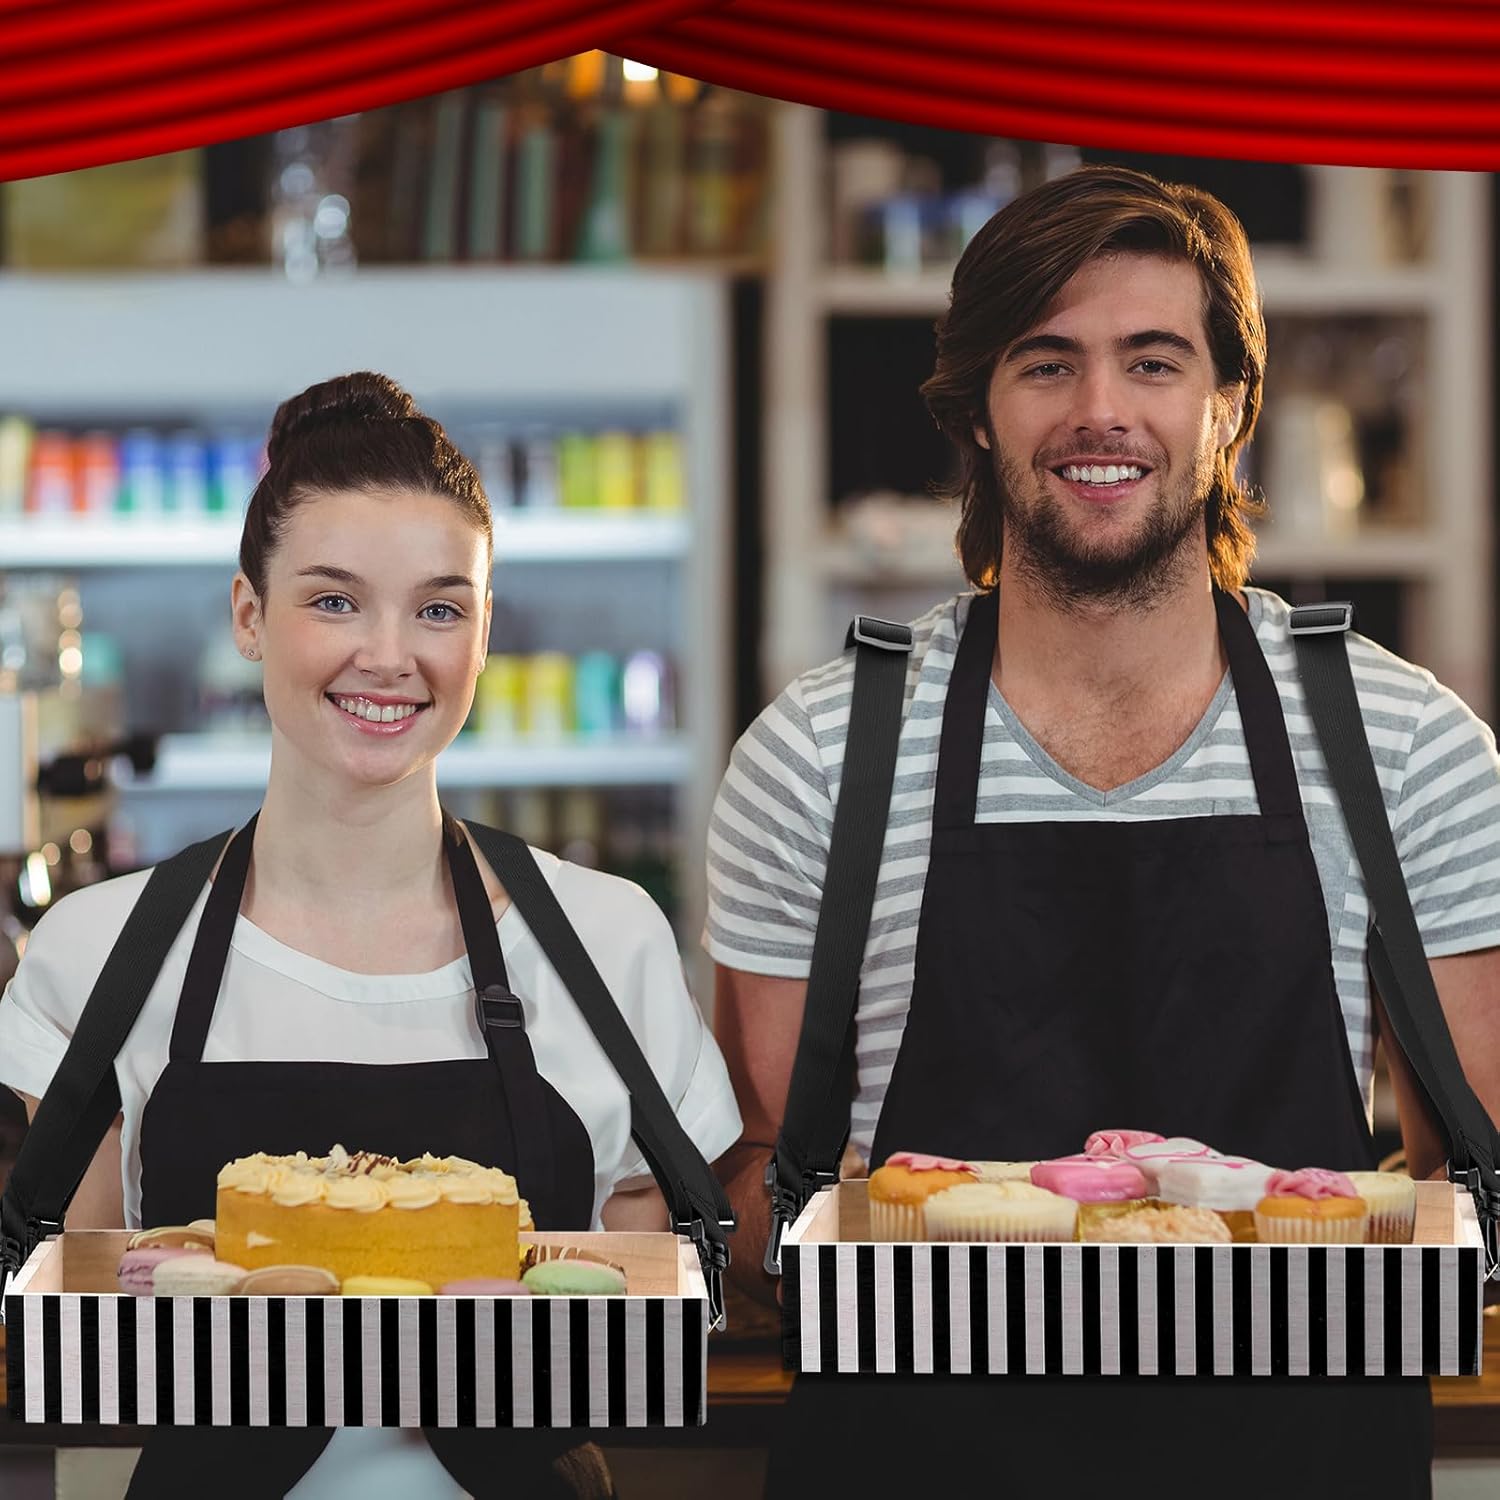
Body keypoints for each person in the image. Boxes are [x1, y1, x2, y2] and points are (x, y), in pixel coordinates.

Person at [707, 166, 1500, 1498]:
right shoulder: (821, 758)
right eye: (1046, 363)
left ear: (1229, 404)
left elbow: (1469, 1191)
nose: (1101, 410)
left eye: (1153, 360)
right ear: (977, 407)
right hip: (923, 1461)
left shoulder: (1407, 749)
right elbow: (759, 1186)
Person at [0, 372, 743, 1498]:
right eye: (335, 601)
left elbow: (637, 1297)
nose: (390, 656)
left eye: (440, 609)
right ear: (249, 617)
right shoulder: (102, 954)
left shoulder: (605, 943)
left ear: (484, 633)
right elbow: (86, 1340)